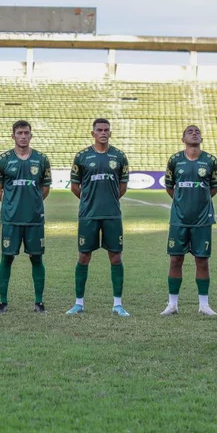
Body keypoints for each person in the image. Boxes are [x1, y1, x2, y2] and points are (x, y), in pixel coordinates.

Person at [66, 118, 131, 316]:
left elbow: (122, 187)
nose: (103, 132)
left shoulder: (119, 156)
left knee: (116, 257)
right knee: (84, 256)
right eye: (99, 130)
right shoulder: (82, 156)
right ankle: (79, 303)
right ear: (93, 133)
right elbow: (76, 187)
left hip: (112, 214)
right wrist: (89, 201)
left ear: (110, 133)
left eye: (106, 130)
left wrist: (109, 200)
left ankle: (118, 305)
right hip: (88, 215)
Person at [0, 120, 52, 313]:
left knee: (36, 258)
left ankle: (39, 302)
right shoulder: (3, 160)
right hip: (11, 219)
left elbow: (44, 189)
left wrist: (32, 204)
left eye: (26, 133)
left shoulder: (41, 160)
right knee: (7, 258)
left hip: (34, 219)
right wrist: (12, 205)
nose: (23, 136)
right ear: (13, 136)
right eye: (19, 133)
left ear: (31, 135)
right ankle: (2, 301)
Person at [161, 125, 217, 316]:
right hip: (179, 219)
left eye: (198, 132)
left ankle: (204, 305)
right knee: (176, 259)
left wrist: (199, 203)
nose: (195, 133)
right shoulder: (175, 160)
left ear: (201, 139)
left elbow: (213, 188)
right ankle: (172, 304)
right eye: (190, 131)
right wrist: (182, 203)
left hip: (202, 219)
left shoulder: (210, 160)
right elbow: (170, 187)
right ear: (183, 138)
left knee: (202, 261)